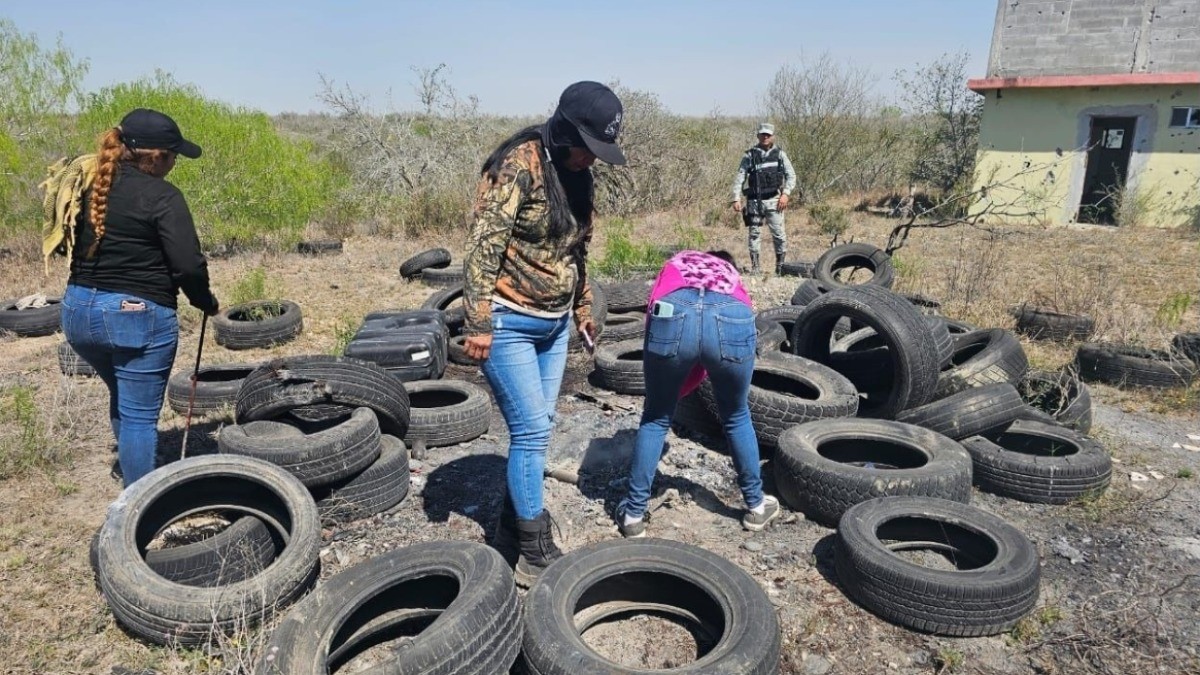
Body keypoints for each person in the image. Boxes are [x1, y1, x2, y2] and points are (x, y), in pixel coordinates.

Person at [462, 81, 626, 587]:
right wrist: (478, 321)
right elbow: (483, 245)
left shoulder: (579, 177)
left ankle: (510, 533)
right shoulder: (519, 164)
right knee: (531, 430)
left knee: (540, 425)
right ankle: (534, 550)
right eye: (587, 148)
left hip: (555, 325)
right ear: (564, 130)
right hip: (509, 320)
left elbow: (576, 250)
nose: (590, 161)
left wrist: (581, 306)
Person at [61, 108, 219, 488]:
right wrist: (205, 301)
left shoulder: (89, 185)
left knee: (123, 394)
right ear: (156, 156)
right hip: (134, 315)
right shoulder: (163, 196)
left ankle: (136, 469)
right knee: (139, 418)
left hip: (77, 311)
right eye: (173, 154)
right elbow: (187, 265)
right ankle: (141, 505)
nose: (175, 161)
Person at [615, 249, 780, 537]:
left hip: (674, 309)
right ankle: (755, 505)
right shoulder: (731, 274)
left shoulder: (678, 261)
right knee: (736, 415)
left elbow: (653, 312)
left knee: (655, 417)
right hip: (732, 313)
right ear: (726, 262)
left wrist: (672, 386)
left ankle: (633, 515)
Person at [730, 123, 797, 275]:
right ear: (758, 136)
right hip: (754, 202)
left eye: (768, 134)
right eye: (762, 134)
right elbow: (740, 177)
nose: (765, 137)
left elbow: (791, 175)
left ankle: (780, 268)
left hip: (775, 201)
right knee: (754, 234)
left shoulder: (780, 154)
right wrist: (736, 198)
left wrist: (786, 194)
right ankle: (756, 267)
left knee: (779, 235)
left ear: (772, 136)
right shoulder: (749, 155)